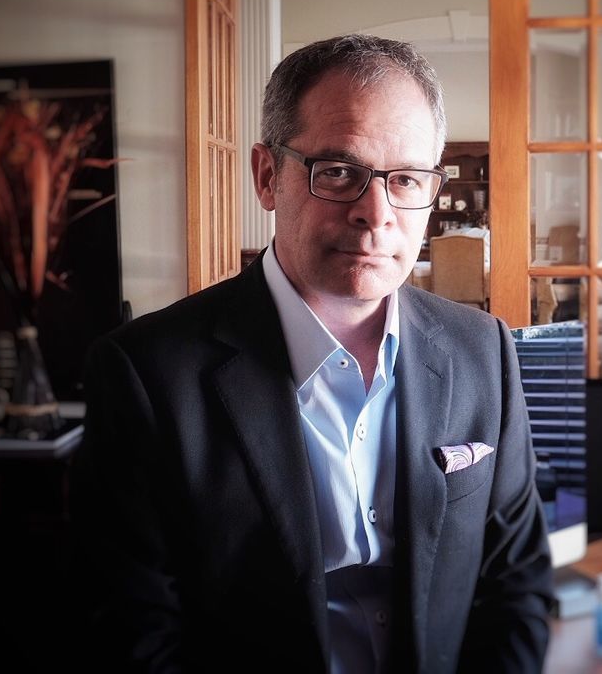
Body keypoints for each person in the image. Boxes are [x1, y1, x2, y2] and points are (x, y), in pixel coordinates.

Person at [70, 35, 553, 673]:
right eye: (339, 172)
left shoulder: (482, 349)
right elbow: (132, 635)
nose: (376, 214)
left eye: (406, 179)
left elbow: (515, 584)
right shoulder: (147, 375)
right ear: (267, 177)